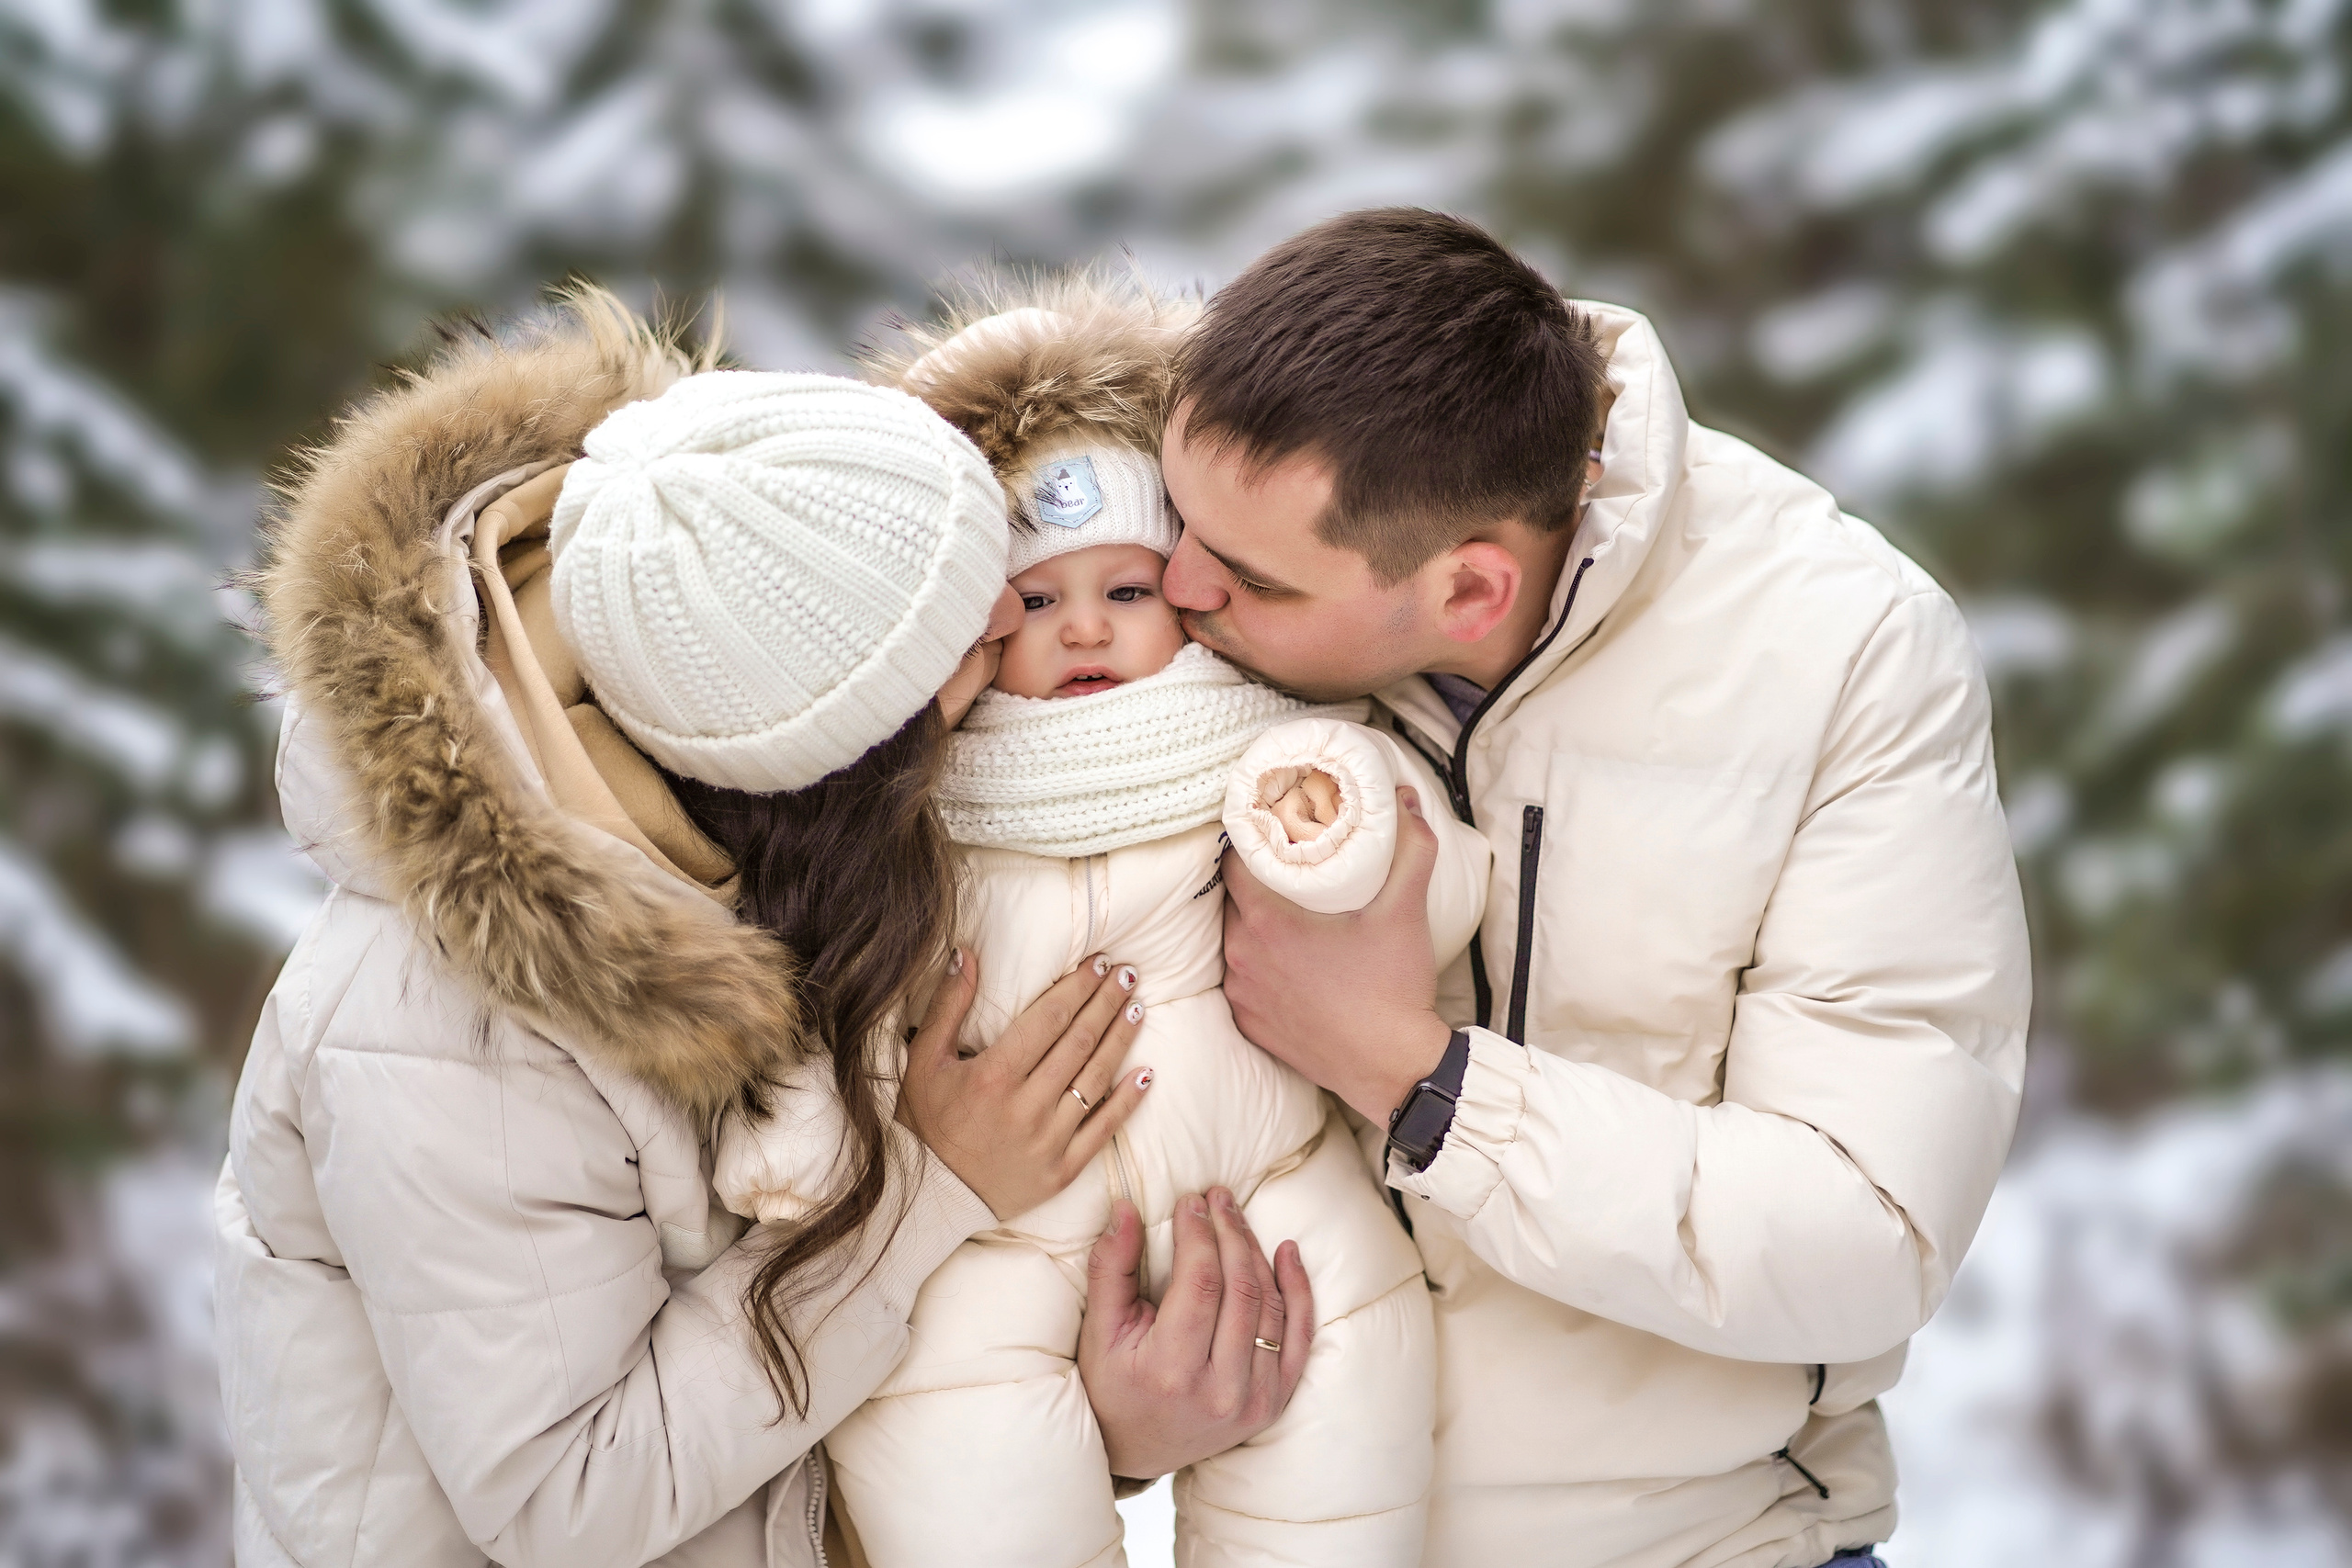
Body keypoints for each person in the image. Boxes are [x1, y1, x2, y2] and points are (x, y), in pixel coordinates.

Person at [214, 291, 1311, 1568]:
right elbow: (573, 1505)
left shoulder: (742, 780)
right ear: (825, 749)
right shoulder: (444, 1029)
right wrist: (929, 1195)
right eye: (960, 637)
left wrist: (1102, 1427)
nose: (1015, 635)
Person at [1164, 209, 2033, 1567]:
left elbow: (1869, 1232)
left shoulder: (1845, 652)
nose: (1173, 586)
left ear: (1470, 589)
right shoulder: (1161, 635)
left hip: (1713, 1542)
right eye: (1177, 521)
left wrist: (1416, 1076)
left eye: (1251, 580)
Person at [711, 281, 1490, 1568]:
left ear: (1186, 594)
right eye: (1035, 600)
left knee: (1352, 1373)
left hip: (1271, 1181)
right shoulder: (922, 803)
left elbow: (1434, 886)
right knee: (952, 1432)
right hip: (998, 1225)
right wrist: (800, 1131)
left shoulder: (1265, 737)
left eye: (1126, 590)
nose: (1082, 627)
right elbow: (836, 976)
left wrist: (1338, 833)